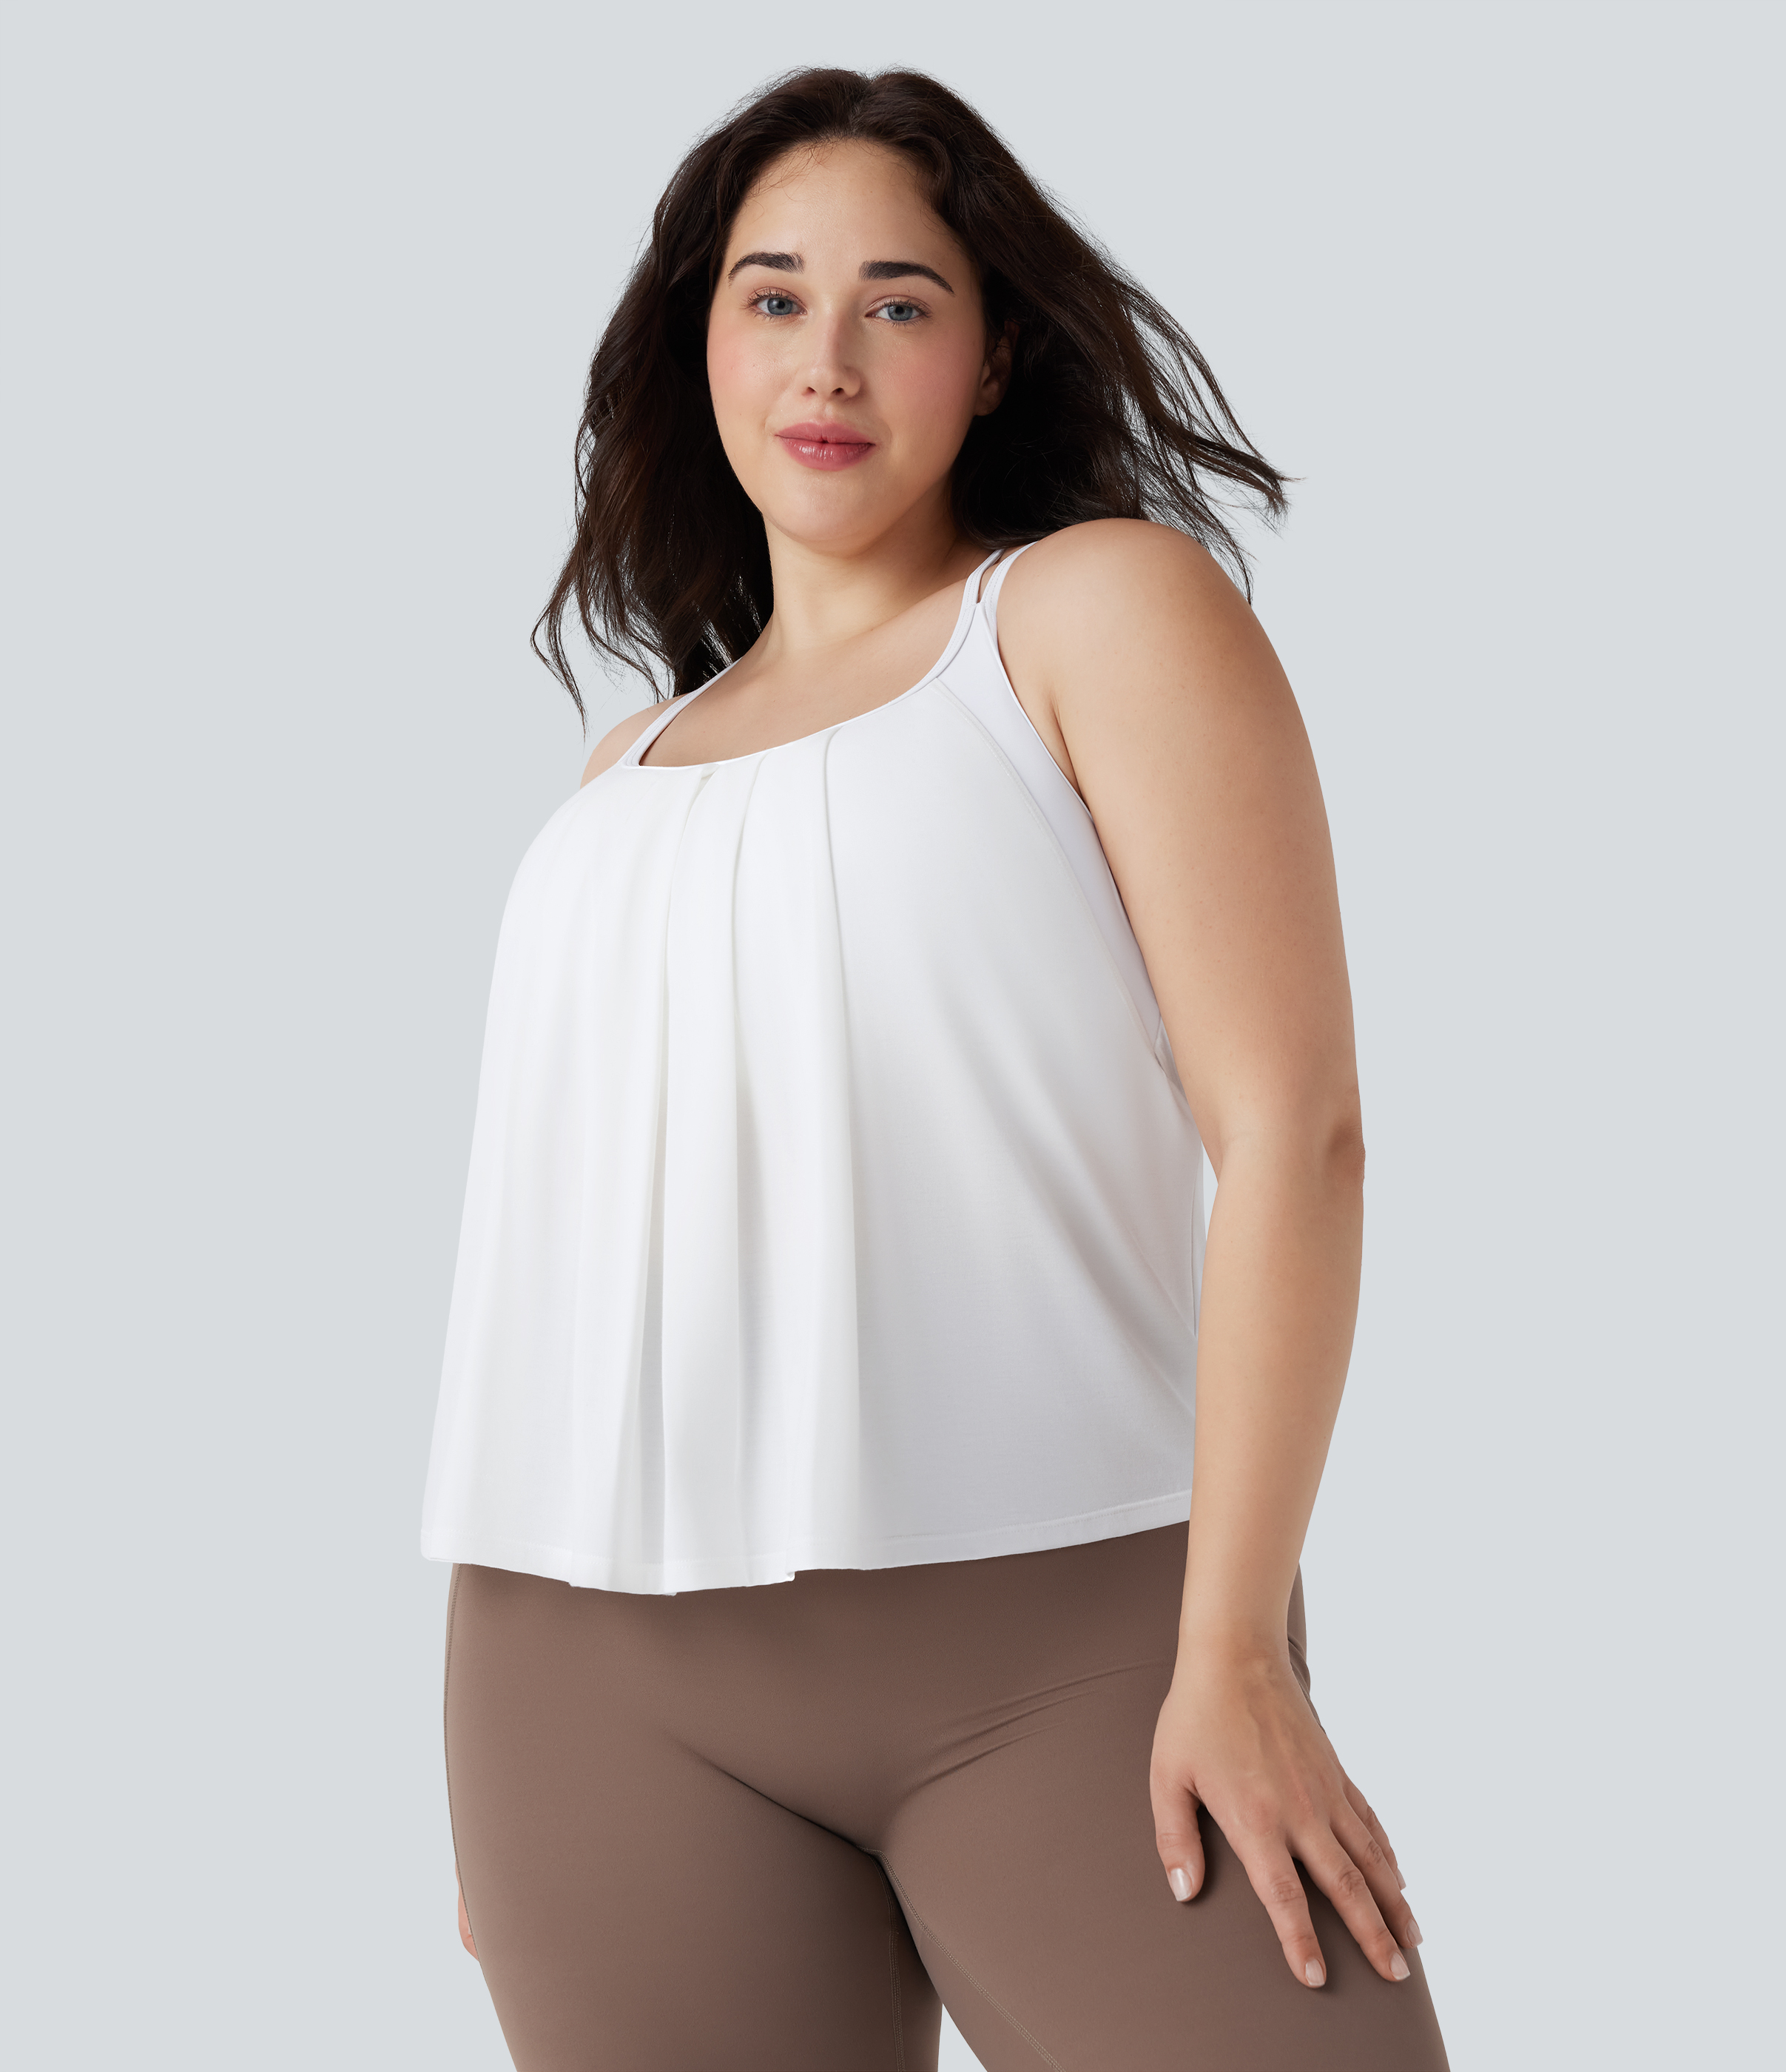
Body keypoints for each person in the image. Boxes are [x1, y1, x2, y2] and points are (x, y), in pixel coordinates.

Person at [421, 64, 1449, 2072]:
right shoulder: (623, 771)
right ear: (702, 345)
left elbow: (1295, 1135)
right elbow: (549, 1275)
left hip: (1070, 1647)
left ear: (993, 360)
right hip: (587, 1684)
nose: (828, 357)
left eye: (898, 302)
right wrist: (486, 1779)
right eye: (773, 297)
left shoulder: (1086, 615)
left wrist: (1238, 1645)